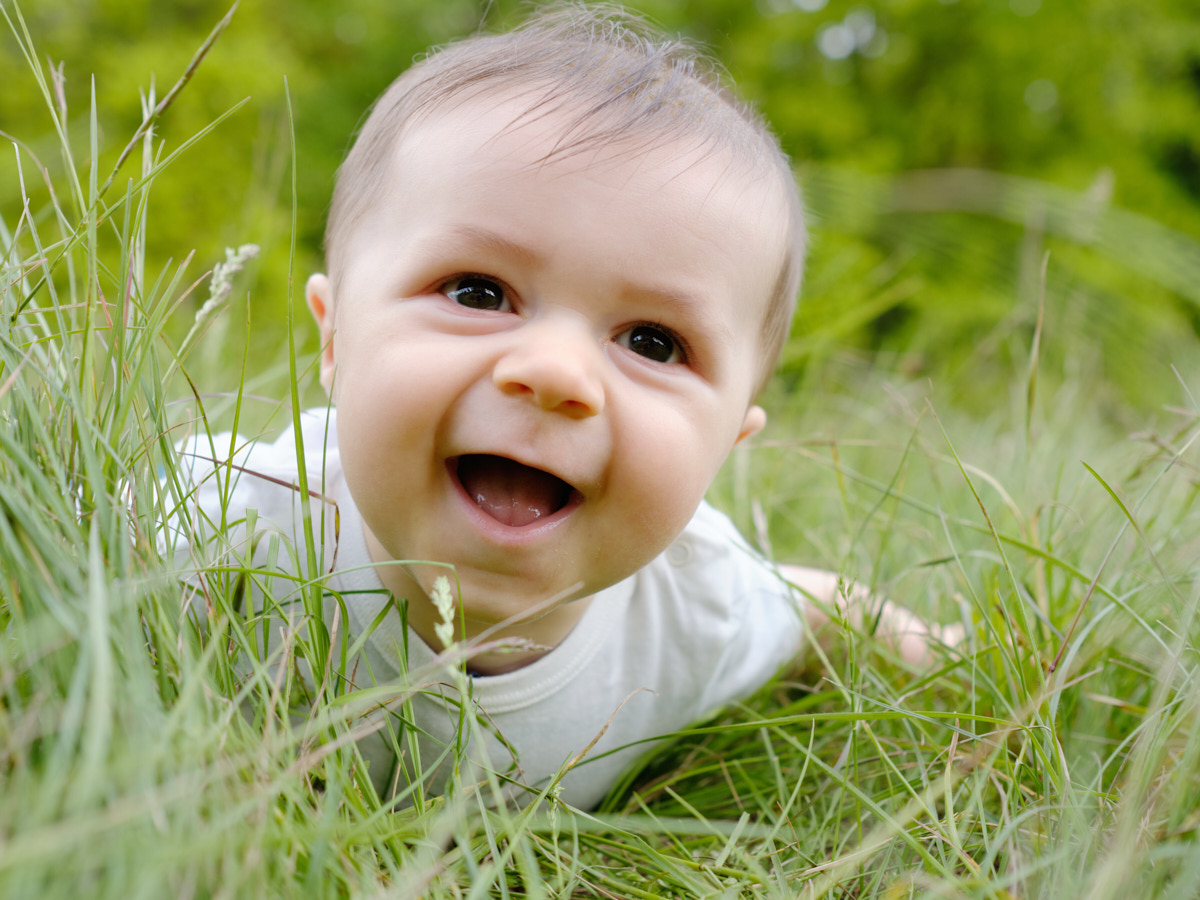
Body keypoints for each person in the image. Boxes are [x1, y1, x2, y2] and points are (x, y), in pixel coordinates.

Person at [176, 3, 958, 810]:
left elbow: (815, 609)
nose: (555, 374)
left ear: (727, 442)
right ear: (336, 337)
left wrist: (937, 652)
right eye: (478, 293)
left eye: (652, 343)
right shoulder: (220, 536)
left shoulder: (693, 610)